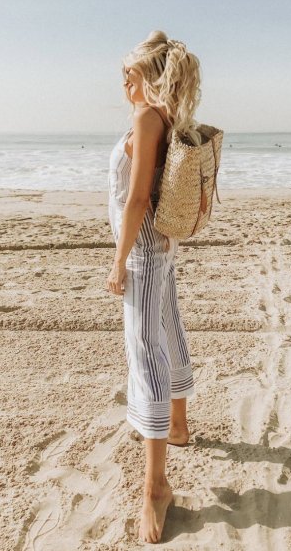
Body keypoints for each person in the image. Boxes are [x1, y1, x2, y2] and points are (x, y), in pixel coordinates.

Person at [106, 30, 202, 544]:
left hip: (144, 250)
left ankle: (156, 486)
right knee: (170, 329)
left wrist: (118, 261)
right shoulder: (165, 117)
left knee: (147, 353)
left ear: (151, 79)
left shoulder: (147, 118)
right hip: (162, 245)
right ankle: (178, 425)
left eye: (131, 76)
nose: (124, 84)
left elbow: (137, 198)